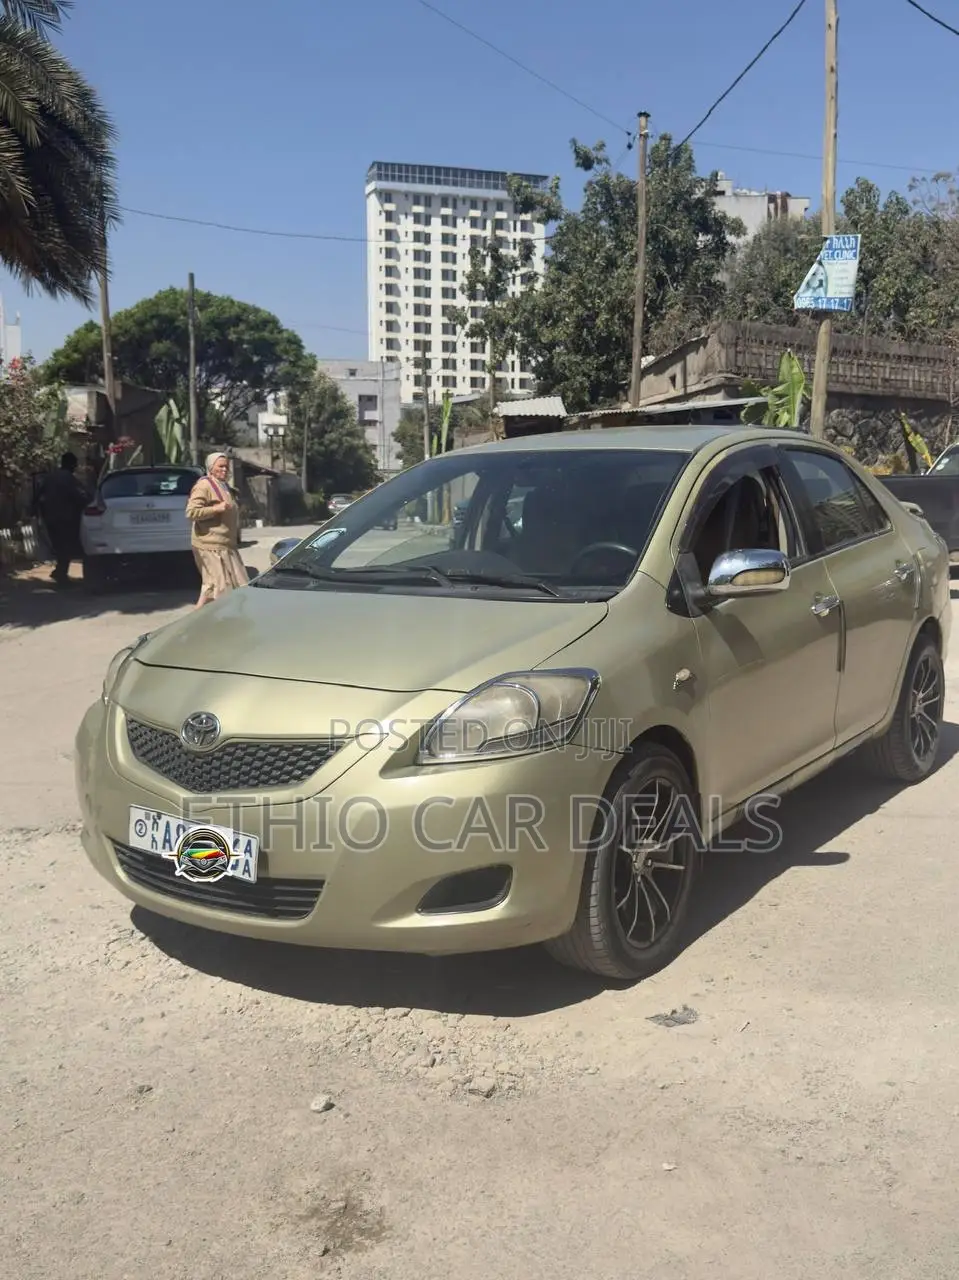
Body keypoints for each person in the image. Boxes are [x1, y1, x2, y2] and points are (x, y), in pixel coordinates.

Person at [185, 452, 249, 607]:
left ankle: (195, 622)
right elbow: (191, 512)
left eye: (226, 466)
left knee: (237, 585)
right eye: (220, 466)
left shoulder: (225, 485)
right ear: (211, 467)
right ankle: (222, 624)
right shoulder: (204, 485)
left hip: (227, 546)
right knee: (221, 588)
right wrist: (215, 508)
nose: (225, 469)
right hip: (210, 545)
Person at [34, 452, 88, 586]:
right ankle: (61, 575)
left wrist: (36, 512)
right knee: (67, 547)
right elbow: (80, 496)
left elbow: (37, 496)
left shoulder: (50, 478)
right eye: (74, 464)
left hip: (50, 518)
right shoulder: (69, 479)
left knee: (60, 547)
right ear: (71, 464)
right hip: (66, 519)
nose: (75, 467)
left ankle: (60, 572)